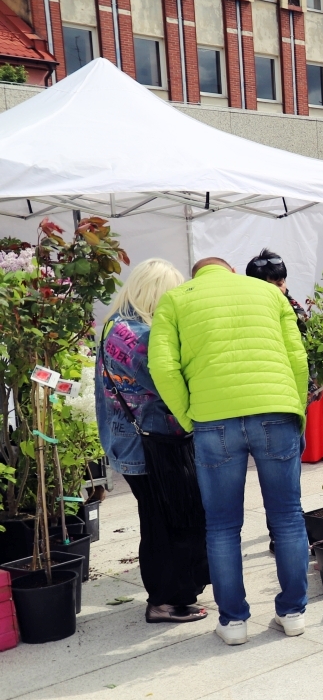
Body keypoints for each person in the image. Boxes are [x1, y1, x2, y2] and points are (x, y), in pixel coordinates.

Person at [148, 257, 312, 647]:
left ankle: (234, 622)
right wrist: (296, 407)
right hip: (276, 410)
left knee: (221, 526)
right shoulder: (270, 293)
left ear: (196, 276)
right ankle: (292, 614)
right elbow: (298, 358)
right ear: (232, 272)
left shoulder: (175, 300)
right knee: (288, 517)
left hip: (213, 419)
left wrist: (190, 418)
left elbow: (163, 367)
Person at [94, 260, 210, 625]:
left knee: (159, 519)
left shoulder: (115, 325)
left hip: (131, 442)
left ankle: (169, 596)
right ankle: (164, 601)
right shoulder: (138, 335)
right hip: (150, 446)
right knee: (165, 522)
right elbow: (168, 384)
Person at [245, 248, 308, 333]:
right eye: (269, 286)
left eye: (280, 284)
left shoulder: (294, 308)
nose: (276, 290)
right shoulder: (246, 308)